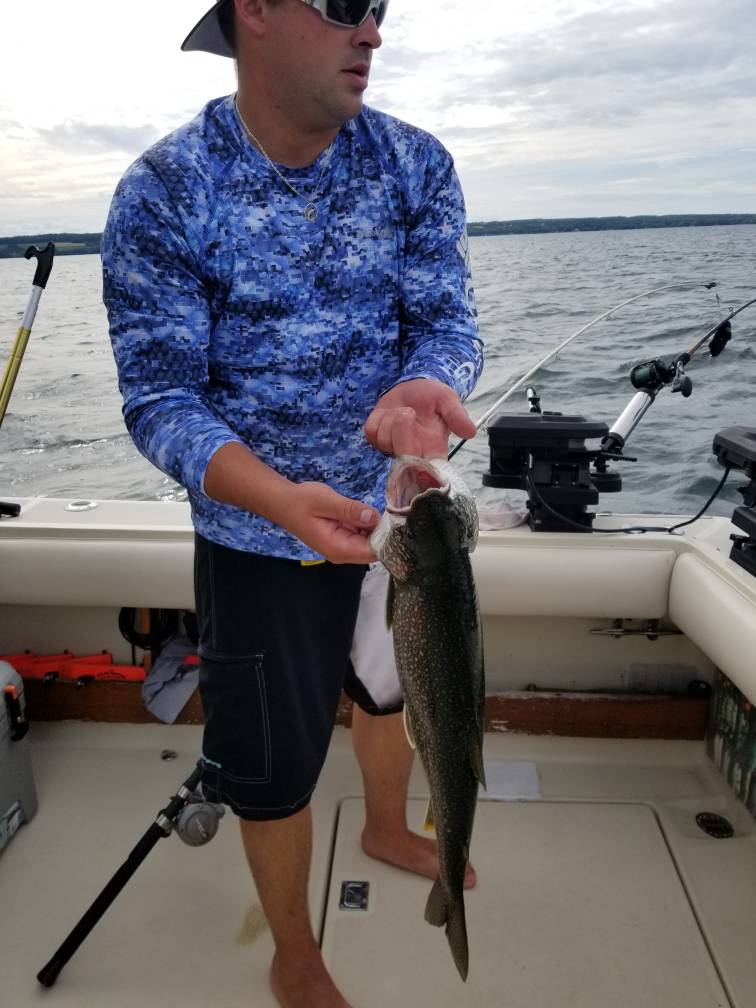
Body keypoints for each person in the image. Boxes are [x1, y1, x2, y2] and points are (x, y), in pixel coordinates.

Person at [102, 1, 483, 1005]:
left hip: (403, 512)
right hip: (256, 535)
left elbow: (447, 320)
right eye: (347, 4)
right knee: (270, 763)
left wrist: (428, 383)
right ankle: (295, 953)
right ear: (257, 10)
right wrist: (276, 500)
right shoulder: (165, 191)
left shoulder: (414, 163)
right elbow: (160, 400)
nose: (373, 32)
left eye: (382, 8)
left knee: (398, 690)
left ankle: (387, 826)